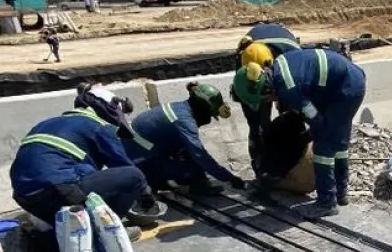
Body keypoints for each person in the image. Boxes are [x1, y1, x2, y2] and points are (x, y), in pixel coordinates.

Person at [10, 90, 162, 242]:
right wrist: (146, 196)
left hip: (24, 195)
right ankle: (108, 233)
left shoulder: (46, 123)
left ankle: (41, 242)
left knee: (74, 235)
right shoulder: (99, 126)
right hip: (59, 189)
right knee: (134, 176)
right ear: (108, 110)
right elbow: (124, 166)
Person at [235, 48, 366, 217]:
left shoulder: (289, 88)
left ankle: (327, 203)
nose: (268, 101)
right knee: (338, 140)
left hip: (345, 90)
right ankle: (341, 193)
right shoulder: (278, 68)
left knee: (324, 147)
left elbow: (317, 122)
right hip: (345, 82)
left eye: (265, 99)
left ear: (265, 89)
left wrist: (304, 138)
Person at [123, 82, 245, 196]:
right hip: (140, 159)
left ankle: (165, 178)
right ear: (203, 108)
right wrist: (229, 178)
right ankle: (156, 180)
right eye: (210, 115)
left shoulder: (180, 108)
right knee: (189, 168)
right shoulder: (185, 121)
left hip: (140, 148)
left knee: (185, 150)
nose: (208, 120)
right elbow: (200, 155)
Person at [232, 22, 301, 168]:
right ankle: (260, 163)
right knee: (257, 125)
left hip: (283, 76)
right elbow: (242, 90)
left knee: (291, 118)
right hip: (257, 76)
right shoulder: (243, 56)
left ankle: (288, 160)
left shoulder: (291, 54)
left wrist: (283, 104)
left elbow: (296, 91)